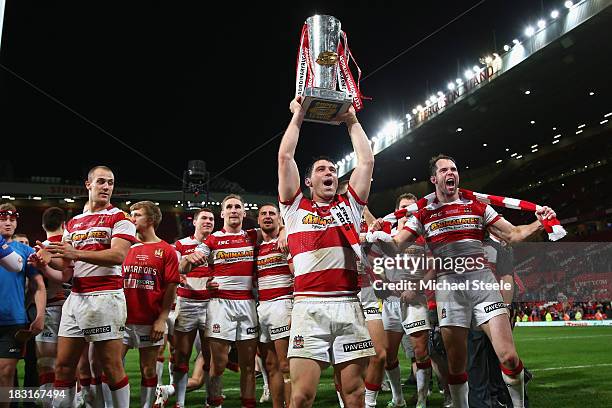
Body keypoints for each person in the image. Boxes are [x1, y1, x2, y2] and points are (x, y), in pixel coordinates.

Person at [370, 154, 557, 408]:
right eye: (445, 169)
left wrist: (540, 222)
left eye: (454, 169)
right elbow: (395, 244)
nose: (451, 173)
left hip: (482, 284)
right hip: (449, 289)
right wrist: (376, 235)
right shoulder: (424, 214)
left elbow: (513, 234)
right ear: (434, 178)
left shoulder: (477, 206)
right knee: (457, 367)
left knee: (509, 357)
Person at [278, 95, 375, 408]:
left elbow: (367, 162)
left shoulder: (351, 207)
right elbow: (285, 157)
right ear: (308, 181)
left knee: (354, 394)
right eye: (321, 169)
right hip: (309, 308)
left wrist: (351, 121)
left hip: (348, 304)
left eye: (332, 168)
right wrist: (299, 114)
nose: (329, 171)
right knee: (302, 396)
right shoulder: (294, 208)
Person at [32, 165, 136, 407]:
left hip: (106, 296)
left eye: (110, 183)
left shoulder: (120, 218)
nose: (106, 187)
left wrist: (75, 253)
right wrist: (45, 261)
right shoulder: (75, 222)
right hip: (76, 298)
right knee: (64, 365)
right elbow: (66, 269)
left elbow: (118, 256)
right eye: (101, 182)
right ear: (88, 184)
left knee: (110, 367)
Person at [186, 195, 260, 408]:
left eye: (238, 207)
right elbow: (187, 264)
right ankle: (214, 403)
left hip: (247, 305)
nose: (234, 210)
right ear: (223, 213)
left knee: (248, 365)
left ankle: (248, 404)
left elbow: (278, 227)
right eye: (229, 207)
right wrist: (187, 261)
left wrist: (282, 231)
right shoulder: (213, 239)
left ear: (244, 213)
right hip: (220, 306)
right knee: (217, 364)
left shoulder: (253, 236)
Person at [375, 193, 433, 408]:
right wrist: (385, 283)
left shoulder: (423, 236)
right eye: (403, 208)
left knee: (420, 351)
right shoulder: (385, 236)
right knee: (389, 355)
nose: (408, 211)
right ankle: (397, 398)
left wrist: (416, 287)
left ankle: (421, 400)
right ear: (397, 210)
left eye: (412, 208)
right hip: (390, 302)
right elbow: (376, 264)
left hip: (415, 301)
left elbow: (433, 267)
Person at [122, 201, 179, 408]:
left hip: (149, 320)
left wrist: (162, 319)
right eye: (131, 214)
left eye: (137, 214)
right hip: (121, 319)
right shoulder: (122, 246)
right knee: (110, 366)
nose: (132, 218)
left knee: (148, 369)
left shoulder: (166, 250)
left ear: (152, 219)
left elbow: (171, 288)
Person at [159, 208, 215, 408]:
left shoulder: (218, 244)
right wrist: (179, 273)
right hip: (187, 304)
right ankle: (180, 402)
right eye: (204, 218)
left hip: (211, 305)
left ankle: (212, 400)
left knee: (211, 357)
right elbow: (172, 272)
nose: (208, 221)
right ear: (195, 222)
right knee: (181, 355)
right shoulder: (181, 245)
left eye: (211, 218)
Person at [0, 204, 45, 408]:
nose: (8, 223)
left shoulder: (26, 251)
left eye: (12, 219)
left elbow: (39, 286)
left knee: (6, 373)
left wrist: (40, 314)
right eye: (3, 219)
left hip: (13, 320)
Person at [255, 203, 293, 407]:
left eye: (272, 213)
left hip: (282, 304)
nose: (268, 216)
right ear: (258, 219)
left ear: (279, 218)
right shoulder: (257, 247)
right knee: (270, 365)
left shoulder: (287, 241)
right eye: (263, 214)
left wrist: (286, 230)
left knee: (285, 364)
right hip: (263, 308)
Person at [35, 207, 68, 407]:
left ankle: (49, 403)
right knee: (75, 364)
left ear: (43, 226)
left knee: (46, 362)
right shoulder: (71, 247)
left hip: (48, 308)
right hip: (75, 309)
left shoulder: (37, 249)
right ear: (64, 225)